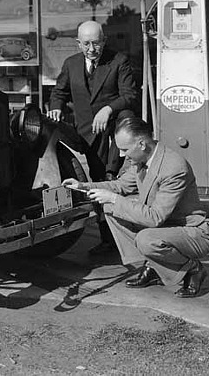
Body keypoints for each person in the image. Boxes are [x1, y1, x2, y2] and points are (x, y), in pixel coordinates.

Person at [63, 117, 209, 298]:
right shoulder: (143, 159)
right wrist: (82, 186)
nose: (121, 155)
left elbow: (155, 217)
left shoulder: (173, 167)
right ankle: (154, 266)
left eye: (125, 149)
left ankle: (193, 268)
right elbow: (120, 186)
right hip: (165, 227)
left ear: (141, 144)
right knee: (110, 209)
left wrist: (114, 199)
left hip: (192, 232)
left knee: (145, 238)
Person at [47, 20, 137, 255]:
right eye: (86, 44)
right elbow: (59, 92)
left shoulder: (119, 61)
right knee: (98, 183)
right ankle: (108, 241)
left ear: (104, 41)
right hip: (88, 135)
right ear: (78, 43)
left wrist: (108, 109)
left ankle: (125, 240)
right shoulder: (71, 64)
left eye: (96, 43)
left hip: (114, 134)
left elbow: (129, 96)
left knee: (115, 179)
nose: (91, 49)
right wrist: (56, 107)